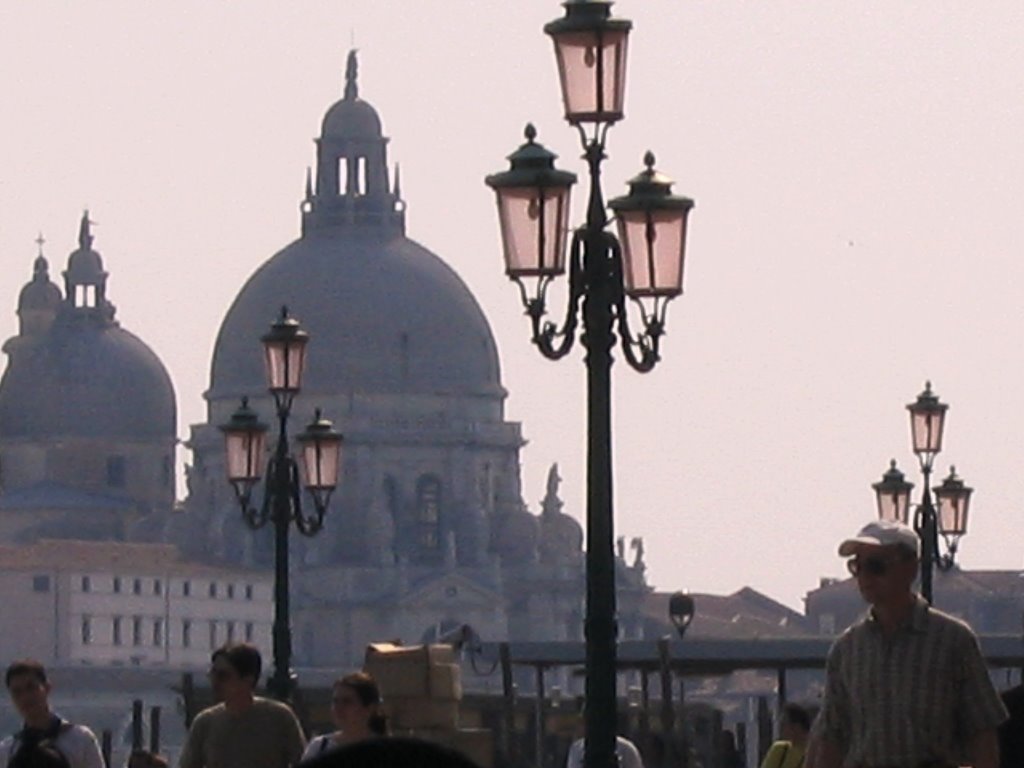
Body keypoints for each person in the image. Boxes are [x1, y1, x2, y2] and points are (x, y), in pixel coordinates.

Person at [810, 519, 1007, 768]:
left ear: (910, 568)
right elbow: (831, 737)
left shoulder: (952, 640)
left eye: (876, 566)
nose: (864, 577)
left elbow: (982, 729)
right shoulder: (847, 649)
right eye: (857, 566)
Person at [178, 643, 306, 768]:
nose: (214, 681)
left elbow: (302, 759)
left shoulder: (279, 718)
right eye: (212, 673)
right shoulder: (205, 723)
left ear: (247, 680)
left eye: (223, 676)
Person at [0, 660, 104, 768]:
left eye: (31, 688)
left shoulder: (80, 739)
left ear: (47, 688)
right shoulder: (8, 750)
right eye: (17, 692)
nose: (25, 697)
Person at [301, 672, 386, 761]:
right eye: (335, 701)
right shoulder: (319, 747)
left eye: (347, 702)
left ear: (370, 708)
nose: (338, 708)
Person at [759, 703, 811, 768]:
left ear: (796, 727)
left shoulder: (813, 754)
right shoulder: (780, 749)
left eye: (784, 723)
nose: (780, 727)